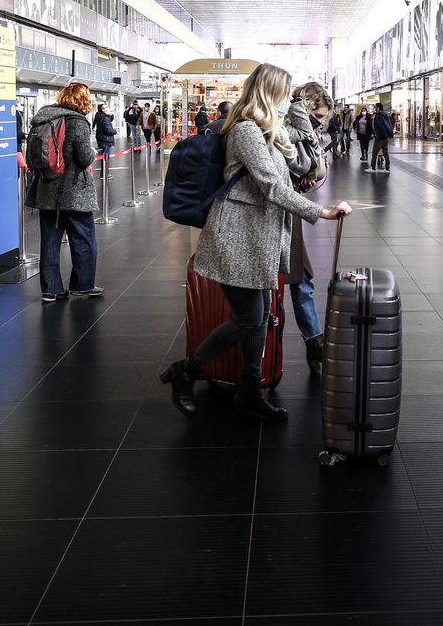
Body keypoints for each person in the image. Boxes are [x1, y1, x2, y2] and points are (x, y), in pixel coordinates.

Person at [159, 64, 352, 420]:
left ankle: (249, 390)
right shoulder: (247, 131)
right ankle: (184, 373)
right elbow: (272, 186)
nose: (287, 101)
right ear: (270, 93)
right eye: (285, 94)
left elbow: (304, 157)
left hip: (257, 235)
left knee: (258, 319)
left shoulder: (272, 132)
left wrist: (297, 106)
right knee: (249, 320)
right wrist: (319, 213)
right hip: (236, 235)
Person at [25, 82, 103, 303]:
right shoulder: (77, 122)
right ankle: (82, 285)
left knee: (50, 241)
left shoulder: (44, 117)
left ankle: (51, 290)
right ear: (83, 100)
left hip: (46, 189)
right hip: (74, 192)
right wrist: (93, 151)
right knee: (84, 239)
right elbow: (83, 157)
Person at [286, 81, 331, 373]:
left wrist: (300, 182)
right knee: (299, 279)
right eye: (316, 117)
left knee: (302, 278)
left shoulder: (298, 132)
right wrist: (322, 212)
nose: (319, 124)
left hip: (288, 213)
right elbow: (274, 183)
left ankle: (314, 343)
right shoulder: (283, 131)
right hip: (272, 216)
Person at [370, 105, 394, 171]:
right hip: (385, 137)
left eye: (375, 107)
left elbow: (381, 127)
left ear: (378, 108)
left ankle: (372, 167)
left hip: (380, 137)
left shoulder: (378, 116)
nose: (374, 109)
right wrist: (388, 136)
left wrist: (385, 136)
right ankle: (387, 168)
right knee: (385, 153)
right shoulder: (385, 115)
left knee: (374, 152)